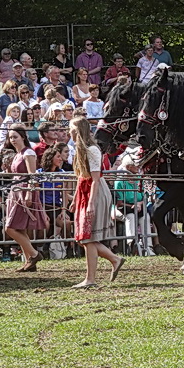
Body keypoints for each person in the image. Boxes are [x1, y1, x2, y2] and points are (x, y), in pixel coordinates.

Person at [68, 116, 125, 288]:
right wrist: (77, 198)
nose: (68, 132)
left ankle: (91, 278)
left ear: (77, 130)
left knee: (88, 237)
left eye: (71, 129)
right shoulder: (80, 150)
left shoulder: (92, 150)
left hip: (95, 192)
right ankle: (114, 259)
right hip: (86, 191)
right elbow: (80, 178)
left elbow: (95, 179)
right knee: (85, 238)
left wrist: (91, 202)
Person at [0, 126, 45, 269]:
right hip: (16, 190)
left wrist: (30, 193)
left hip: (25, 191)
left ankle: (33, 254)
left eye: (15, 137)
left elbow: (32, 175)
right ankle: (29, 261)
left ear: (23, 137)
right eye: (11, 137)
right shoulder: (17, 154)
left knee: (10, 228)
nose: (12, 140)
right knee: (19, 228)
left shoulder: (28, 152)